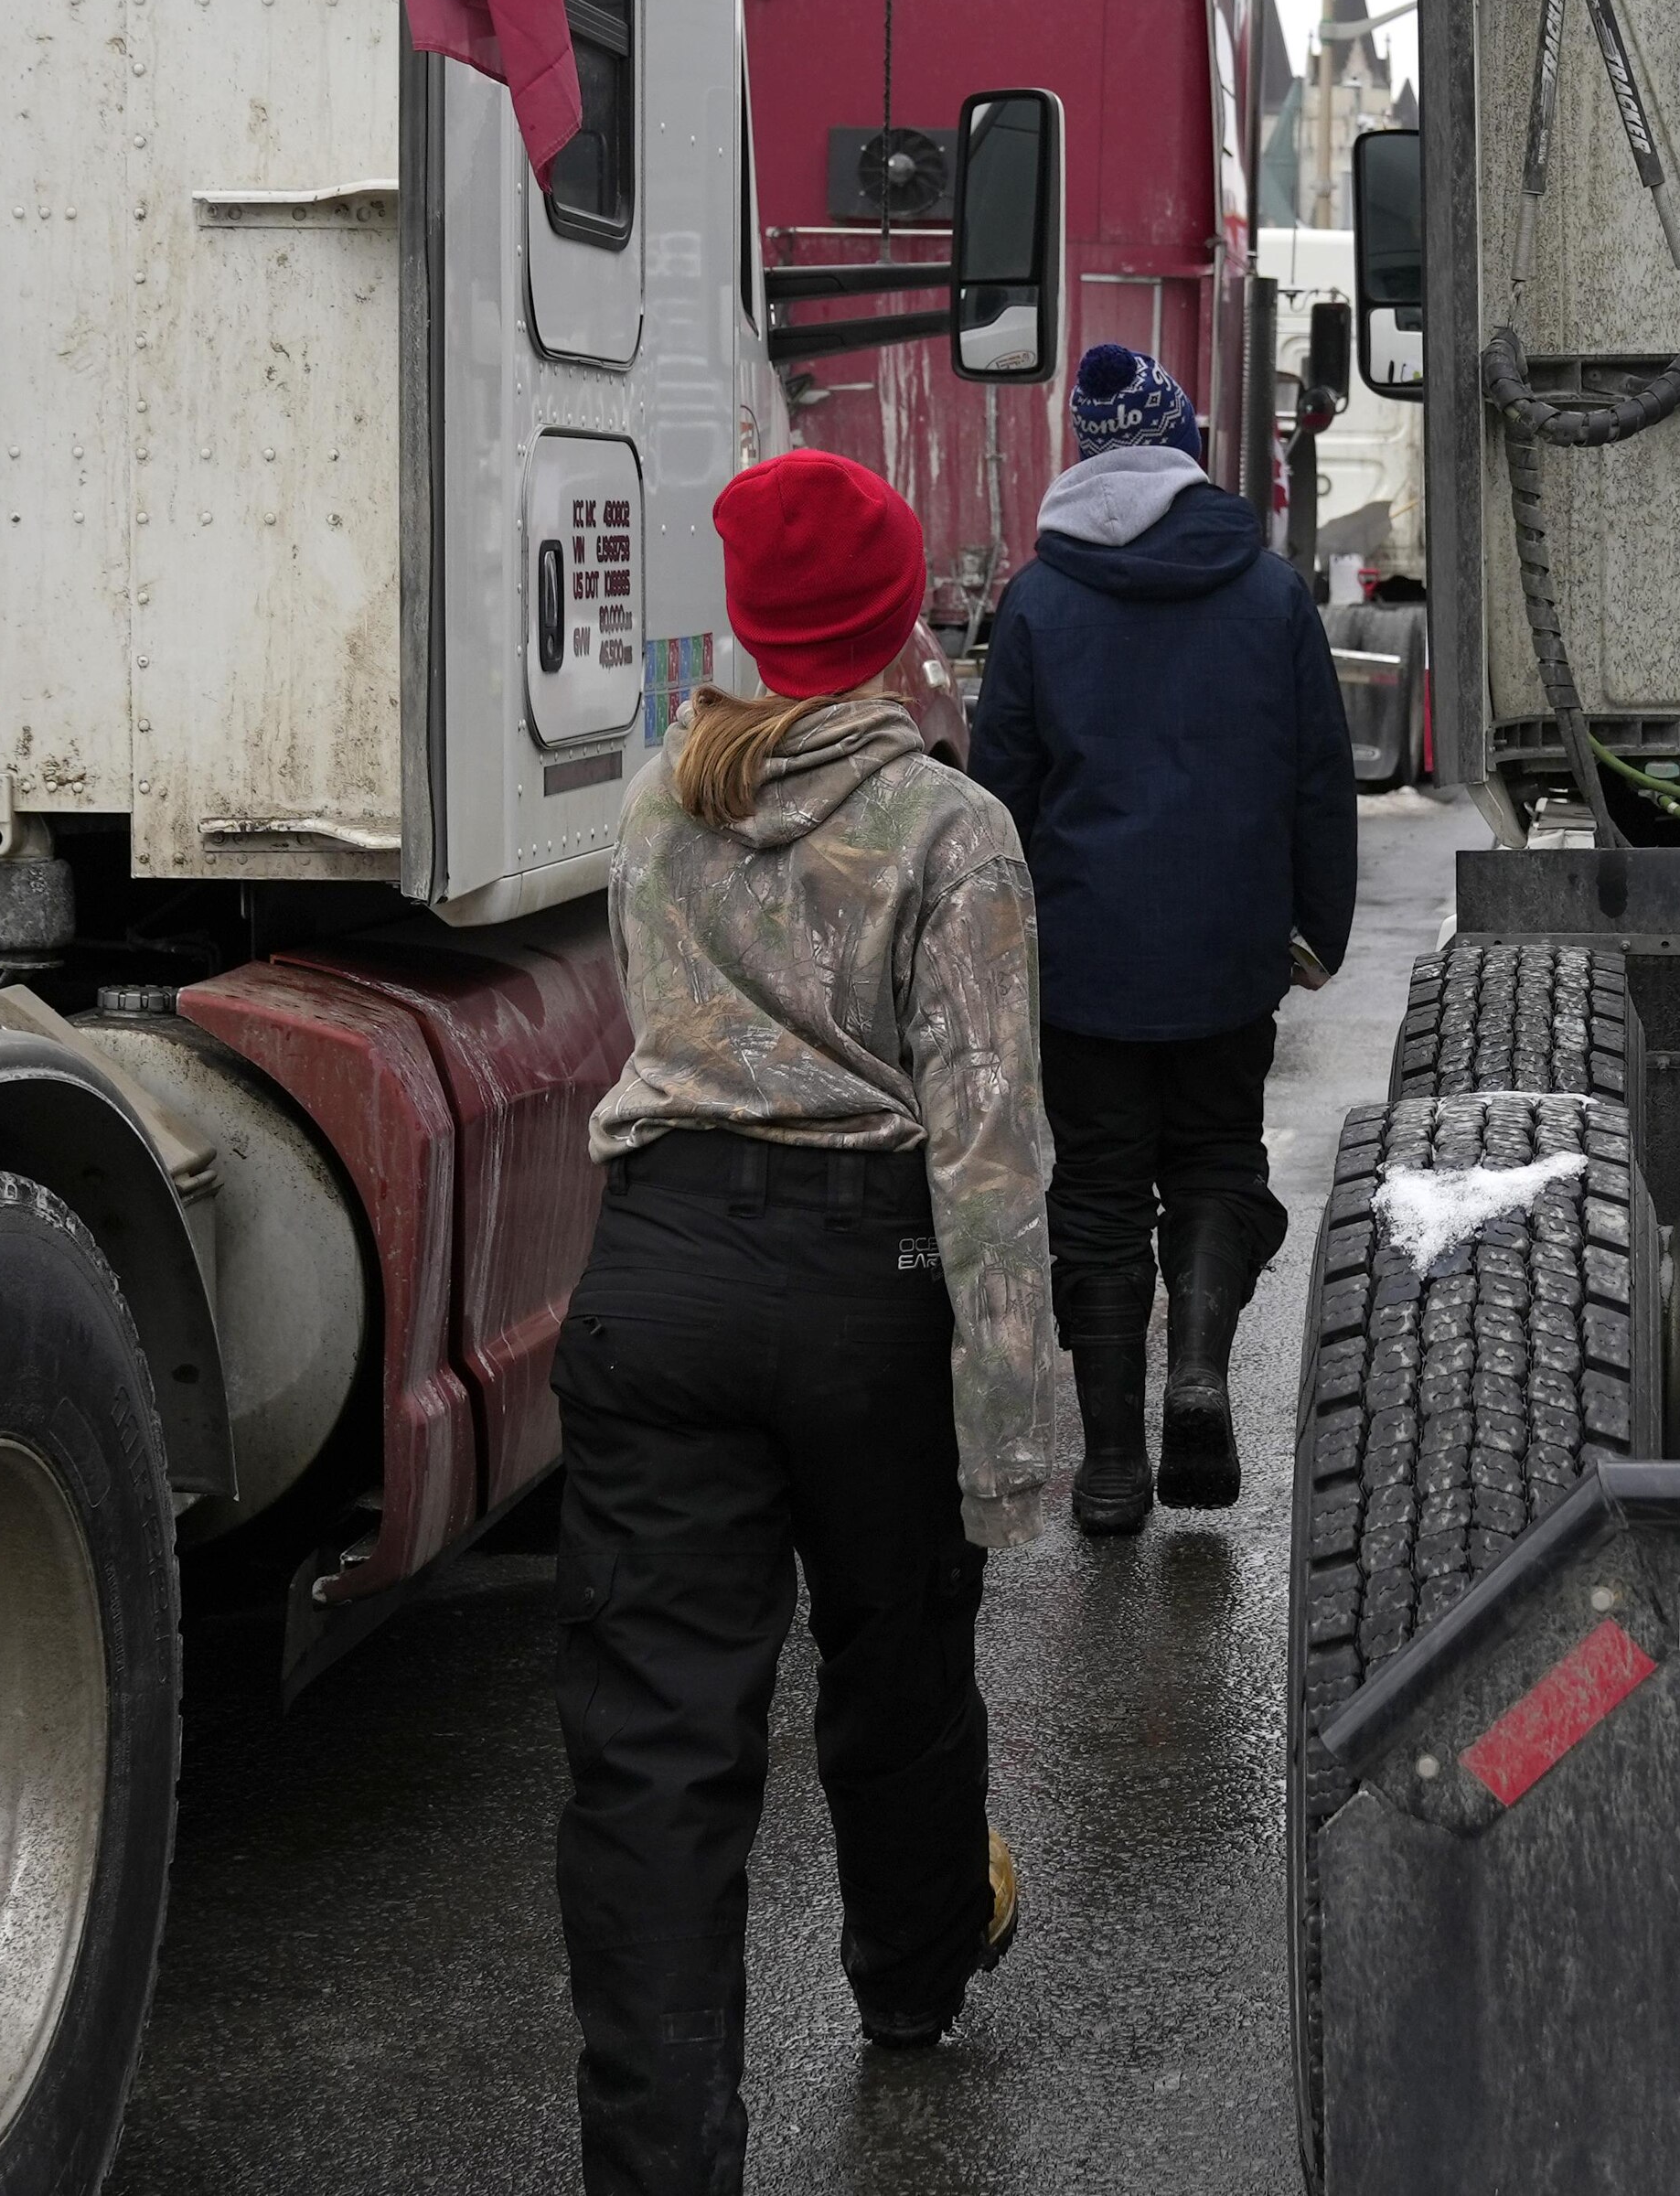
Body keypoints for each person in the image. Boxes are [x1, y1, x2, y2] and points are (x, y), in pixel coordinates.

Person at [559, 446, 1065, 2186]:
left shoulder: (658, 799)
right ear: (894, 620)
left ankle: (659, 2156)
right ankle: (912, 1971)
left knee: (654, 1748)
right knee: (901, 1652)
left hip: (663, 1273)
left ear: (758, 628)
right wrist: (1013, 1448)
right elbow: (992, 1157)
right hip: (872, 1285)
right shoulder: (949, 827)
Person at [973, 341, 1357, 1533]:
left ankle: (1107, 1464)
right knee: (1213, 1166)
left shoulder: (1038, 602)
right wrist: (1316, 928)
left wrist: (1003, 951)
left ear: (1089, 460)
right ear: (1186, 447)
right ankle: (1196, 1368)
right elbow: (1317, 781)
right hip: (1229, 952)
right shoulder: (1270, 591)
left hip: (1084, 963)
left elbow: (1002, 800)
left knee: (1092, 1192)